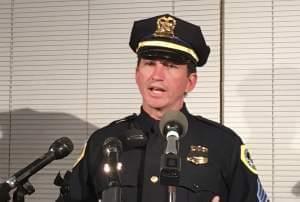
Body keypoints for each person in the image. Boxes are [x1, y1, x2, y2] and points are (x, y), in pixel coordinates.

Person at [56, 14, 269, 202]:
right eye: (149, 63)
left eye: (170, 66)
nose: (157, 75)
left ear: (190, 82)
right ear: (137, 74)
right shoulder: (104, 142)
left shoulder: (223, 145)